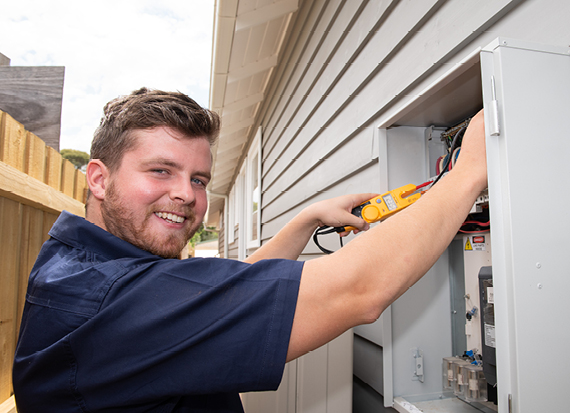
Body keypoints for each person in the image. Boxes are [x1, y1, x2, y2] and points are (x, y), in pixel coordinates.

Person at [12, 87, 487, 412]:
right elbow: (358, 290)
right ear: (98, 177)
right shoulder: (113, 299)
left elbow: (226, 296)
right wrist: (468, 171)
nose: (185, 194)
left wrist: (305, 220)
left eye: (198, 179)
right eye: (160, 171)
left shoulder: (82, 267)